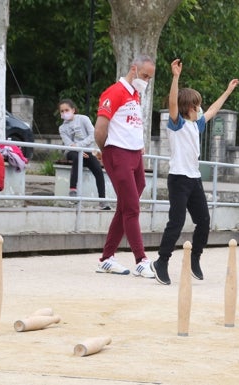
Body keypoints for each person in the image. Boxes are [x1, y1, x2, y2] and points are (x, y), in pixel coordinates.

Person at [150, 59, 239, 285]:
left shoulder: (196, 124)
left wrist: (228, 90)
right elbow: (172, 102)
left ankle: (195, 258)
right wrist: (175, 77)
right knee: (176, 222)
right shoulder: (177, 123)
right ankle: (161, 261)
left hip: (194, 179)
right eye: (197, 105)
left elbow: (213, 110)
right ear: (189, 107)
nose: (200, 108)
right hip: (178, 179)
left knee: (204, 221)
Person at [93, 55, 156, 278]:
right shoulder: (115, 92)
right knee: (131, 208)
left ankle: (107, 258)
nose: (146, 80)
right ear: (133, 69)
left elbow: (130, 125)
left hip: (134, 154)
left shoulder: (135, 95)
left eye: (150, 77)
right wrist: (105, 151)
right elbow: (100, 129)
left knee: (126, 205)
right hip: (117, 153)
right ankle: (141, 260)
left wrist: (138, 147)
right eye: (145, 75)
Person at [58, 99, 110, 210]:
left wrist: (81, 148)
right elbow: (69, 144)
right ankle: (73, 190)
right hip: (72, 152)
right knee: (77, 157)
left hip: (87, 150)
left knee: (98, 170)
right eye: (62, 111)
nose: (64, 113)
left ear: (73, 110)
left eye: (66, 110)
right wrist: (79, 150)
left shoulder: (83, 119)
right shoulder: (62, 128)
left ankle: (102, 201)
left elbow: (92, 135)